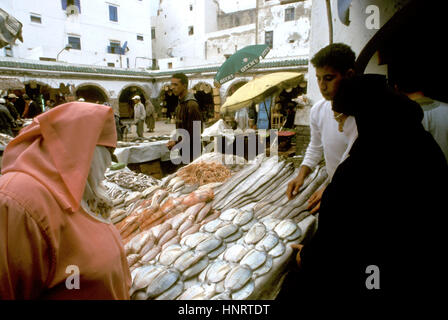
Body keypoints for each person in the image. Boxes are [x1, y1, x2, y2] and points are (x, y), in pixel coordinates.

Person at [294, 74, 448, 299]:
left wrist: (308, 257)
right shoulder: (423, 144)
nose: (339, 129)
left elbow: (338, 238)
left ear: (362, 117)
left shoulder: (360, 168)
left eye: (341, 119)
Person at [0, 102, 131, 299]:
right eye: (106, 152)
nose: (107, 164)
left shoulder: (80, 191)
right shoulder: (16, 201)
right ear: (81, 149)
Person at [286, 43, 358, 214]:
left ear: (348, 75)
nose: (322, 86)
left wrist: (330, 189)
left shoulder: (361, 116)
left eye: (328, 78)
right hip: (336, 186)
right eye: (318, 78)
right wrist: (301, 175)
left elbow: (355, 163)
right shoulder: (318, 110)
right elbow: (316, 147)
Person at [167, 73, 202, 163]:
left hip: (193, 152)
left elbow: (196, 132)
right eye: (172, 84)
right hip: (183, 149)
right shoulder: (180, 104)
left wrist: (176, 143)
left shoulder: (191, 105)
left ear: (184, 86)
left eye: (176, 85)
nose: (172, 87)